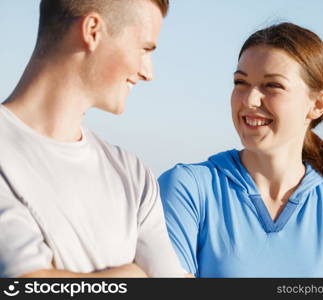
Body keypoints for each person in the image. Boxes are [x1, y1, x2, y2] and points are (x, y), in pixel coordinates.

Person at [159, 22, 323, 278]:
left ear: (318, 104)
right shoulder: (188, 189)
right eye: (240, 82)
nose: (249, 100)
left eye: (272, 86)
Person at [0, 0, 186, 278]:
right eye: (145, 49)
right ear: (92, 31)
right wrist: (131, 275)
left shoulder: (133, 174)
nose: (149, 72)